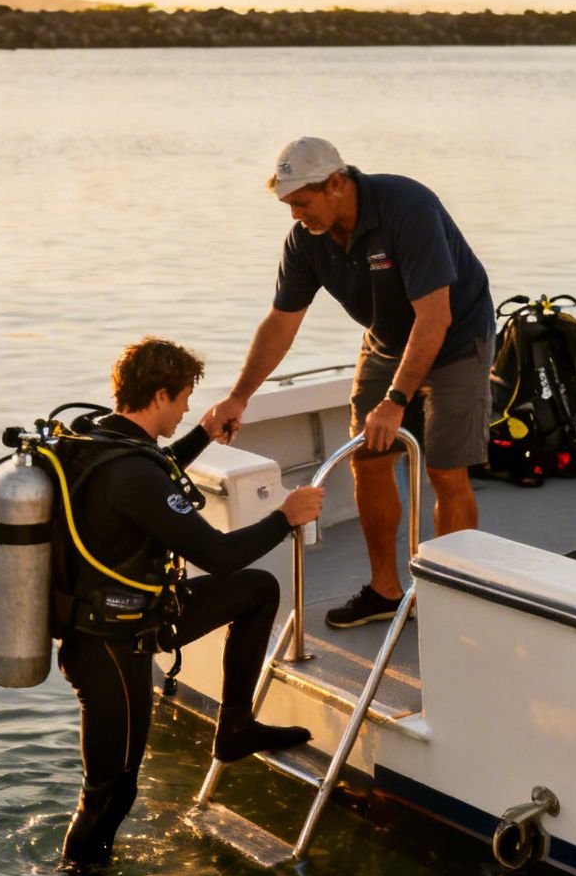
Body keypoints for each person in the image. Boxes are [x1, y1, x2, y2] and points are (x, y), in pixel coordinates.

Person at [202, 138, 494, 629]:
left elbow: (434, 318)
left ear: (336, 184)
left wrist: (397, 400)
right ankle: (385, 590)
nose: (295, 215)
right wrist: (239, 397)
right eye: (288, 205)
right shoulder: (306, 240)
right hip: (385, 342)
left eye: (301, 202)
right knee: (369, 458)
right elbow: (281, 322)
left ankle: (450, 599)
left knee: (445, 470)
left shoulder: (408, 208)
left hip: (454, 337)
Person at [55, 336, 323, 868]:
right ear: (158, 396)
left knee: (257, 591)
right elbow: (219, 554)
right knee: (111, 793)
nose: (182, 411)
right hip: (108, 650)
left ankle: (235, 728)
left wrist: (203, 432)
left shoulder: (105, 443)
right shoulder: (132, 471)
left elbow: (155, 477)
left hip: (139, 618)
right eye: (181, 402)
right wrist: (285, 516)